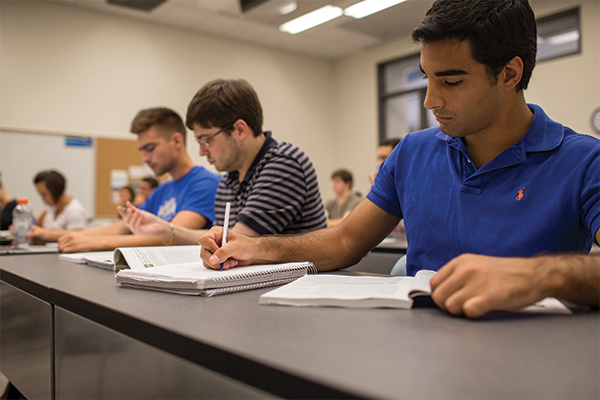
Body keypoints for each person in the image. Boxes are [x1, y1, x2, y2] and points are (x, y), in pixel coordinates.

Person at [198, 0, 600, 319]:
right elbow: (345, 241)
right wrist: (256, 247)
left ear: (510, 74)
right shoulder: (413, 152)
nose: (430, 101)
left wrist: (539, 275)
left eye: (452, 82)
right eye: (427, 77)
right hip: (414, 352)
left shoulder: (583, 161)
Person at [119, 79, 327, 244]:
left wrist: (168, 231)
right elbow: (219, 240)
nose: (201, 151)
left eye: (206, 140)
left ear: (240, 130)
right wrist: (166, 229)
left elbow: (233, 244)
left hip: (298, 290)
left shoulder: (283, 163)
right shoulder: (228, 182)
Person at [58, 107, 221, 252]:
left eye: (150, 148)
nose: (145, 158)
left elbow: (171, 237)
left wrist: (95, 242)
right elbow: (121, 228)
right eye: (142, 150)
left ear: (176, 141)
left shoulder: (205, 183)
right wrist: (60, 236)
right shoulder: (161, 191)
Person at [27, 170, 89, 243]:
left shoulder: (75, 210)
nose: (42, 199)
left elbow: (79, 235)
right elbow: (36, 225)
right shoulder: (50, 206)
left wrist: (46, 235)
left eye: (44, 194)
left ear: (55, 191)